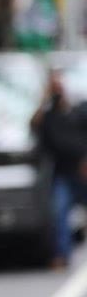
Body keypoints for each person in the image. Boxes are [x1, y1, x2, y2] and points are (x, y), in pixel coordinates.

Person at [32, 69, 87, 268]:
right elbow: (33, 125)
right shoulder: (48, 115)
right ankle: (62, 255)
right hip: (62, 172)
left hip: (82, 170)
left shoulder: (79, 110)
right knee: (60, 214)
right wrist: (44, 97)